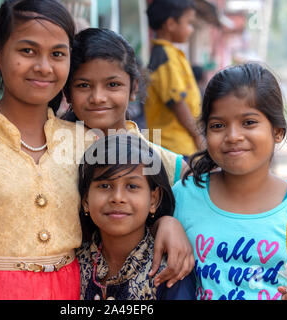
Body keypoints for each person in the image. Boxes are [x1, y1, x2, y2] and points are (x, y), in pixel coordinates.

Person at [0, 0, 189, 300]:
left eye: (57, 54)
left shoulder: (88, 144)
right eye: (27, 51)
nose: (43, 66)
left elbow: (129, 203)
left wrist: (167, 221)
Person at [172, 62, 287, 300]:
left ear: (278, 131)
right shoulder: (184, 195)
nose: (233, 136)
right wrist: (165, 224)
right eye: (218, 125)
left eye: (248, 122)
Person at [62, 27, 194, 287]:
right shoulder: (52, 154)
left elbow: (189, 236)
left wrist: (167, 222)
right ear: (67, 92)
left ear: (134, 87)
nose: (98, 97)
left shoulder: (169, 165)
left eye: (113, 85)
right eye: (83, 85)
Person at [77, 133, 196, 300]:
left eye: (132, 186)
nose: (117, 197)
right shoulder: (73, 264)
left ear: (153, 199)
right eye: (104, 185)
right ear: (86, 200)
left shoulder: (171, 269)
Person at [144, 0, 204, 159]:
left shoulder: (171, 54)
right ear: (170, 24)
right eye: (189, 23)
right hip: (172, 145)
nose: (191, 29)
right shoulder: (165, 56)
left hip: (179, 143)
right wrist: (198, 135)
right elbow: (177, 102)